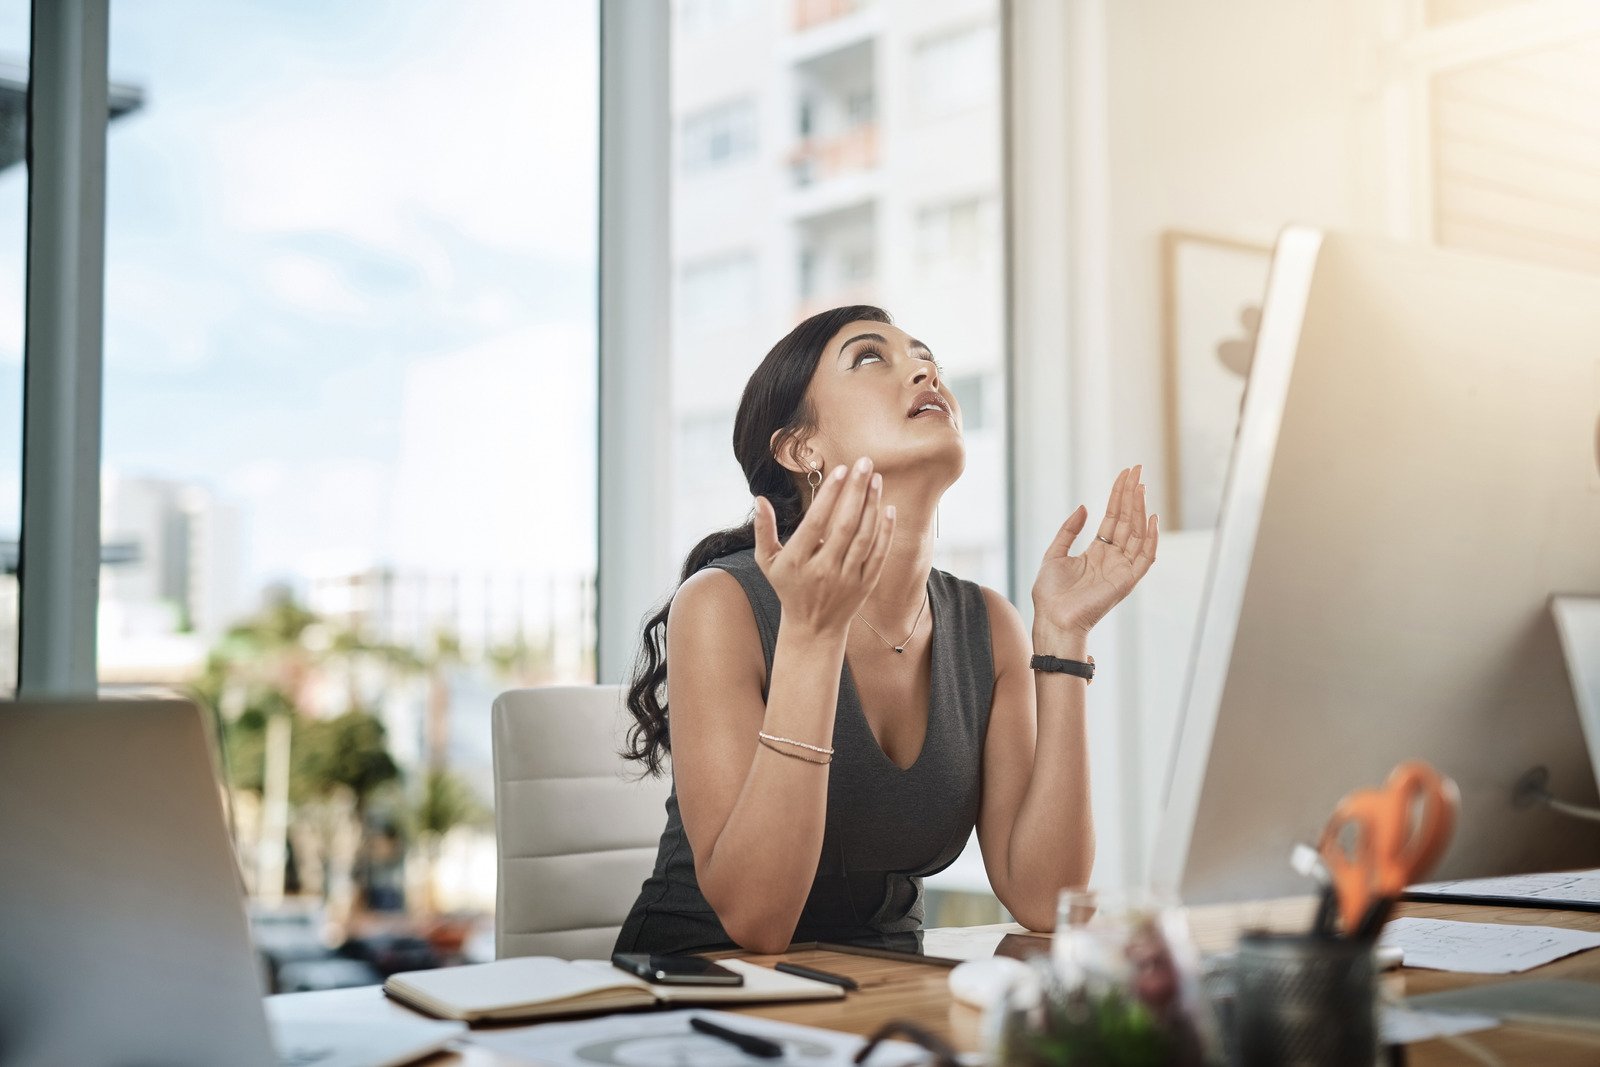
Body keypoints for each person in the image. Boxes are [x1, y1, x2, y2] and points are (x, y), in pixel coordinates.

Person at [614, 305, 1158, 955]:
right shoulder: (721, 605)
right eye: (872, 357)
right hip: (700, 990)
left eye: (927, 356)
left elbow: (1045, 898)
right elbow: (756, 923)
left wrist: (1064, 639)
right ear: (801, 447)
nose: (924, 369)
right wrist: (813, 639)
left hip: (885, 997)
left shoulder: (988, 626)